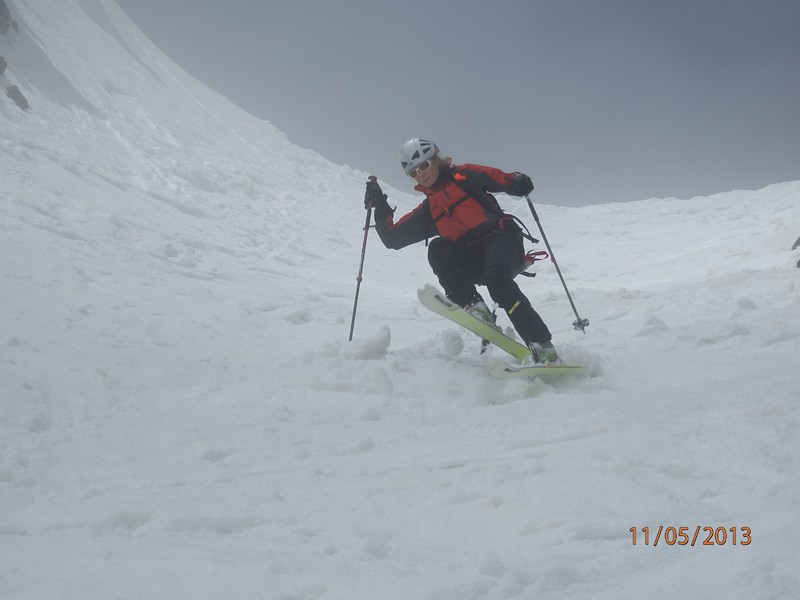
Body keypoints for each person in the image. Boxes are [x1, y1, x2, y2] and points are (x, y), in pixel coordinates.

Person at [364, 137, 560, 364]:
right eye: (414, 172)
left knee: (498, 280)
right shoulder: (429, 209)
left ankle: (542, 347)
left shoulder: (464, 176)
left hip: (502, 242)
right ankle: (476, 309)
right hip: (474, 260)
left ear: (436, 160)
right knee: (438, 248)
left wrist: (516, 181)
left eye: (425, 166)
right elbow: (393, 238)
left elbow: (499, 178)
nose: (421, 174)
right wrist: (379, 205)